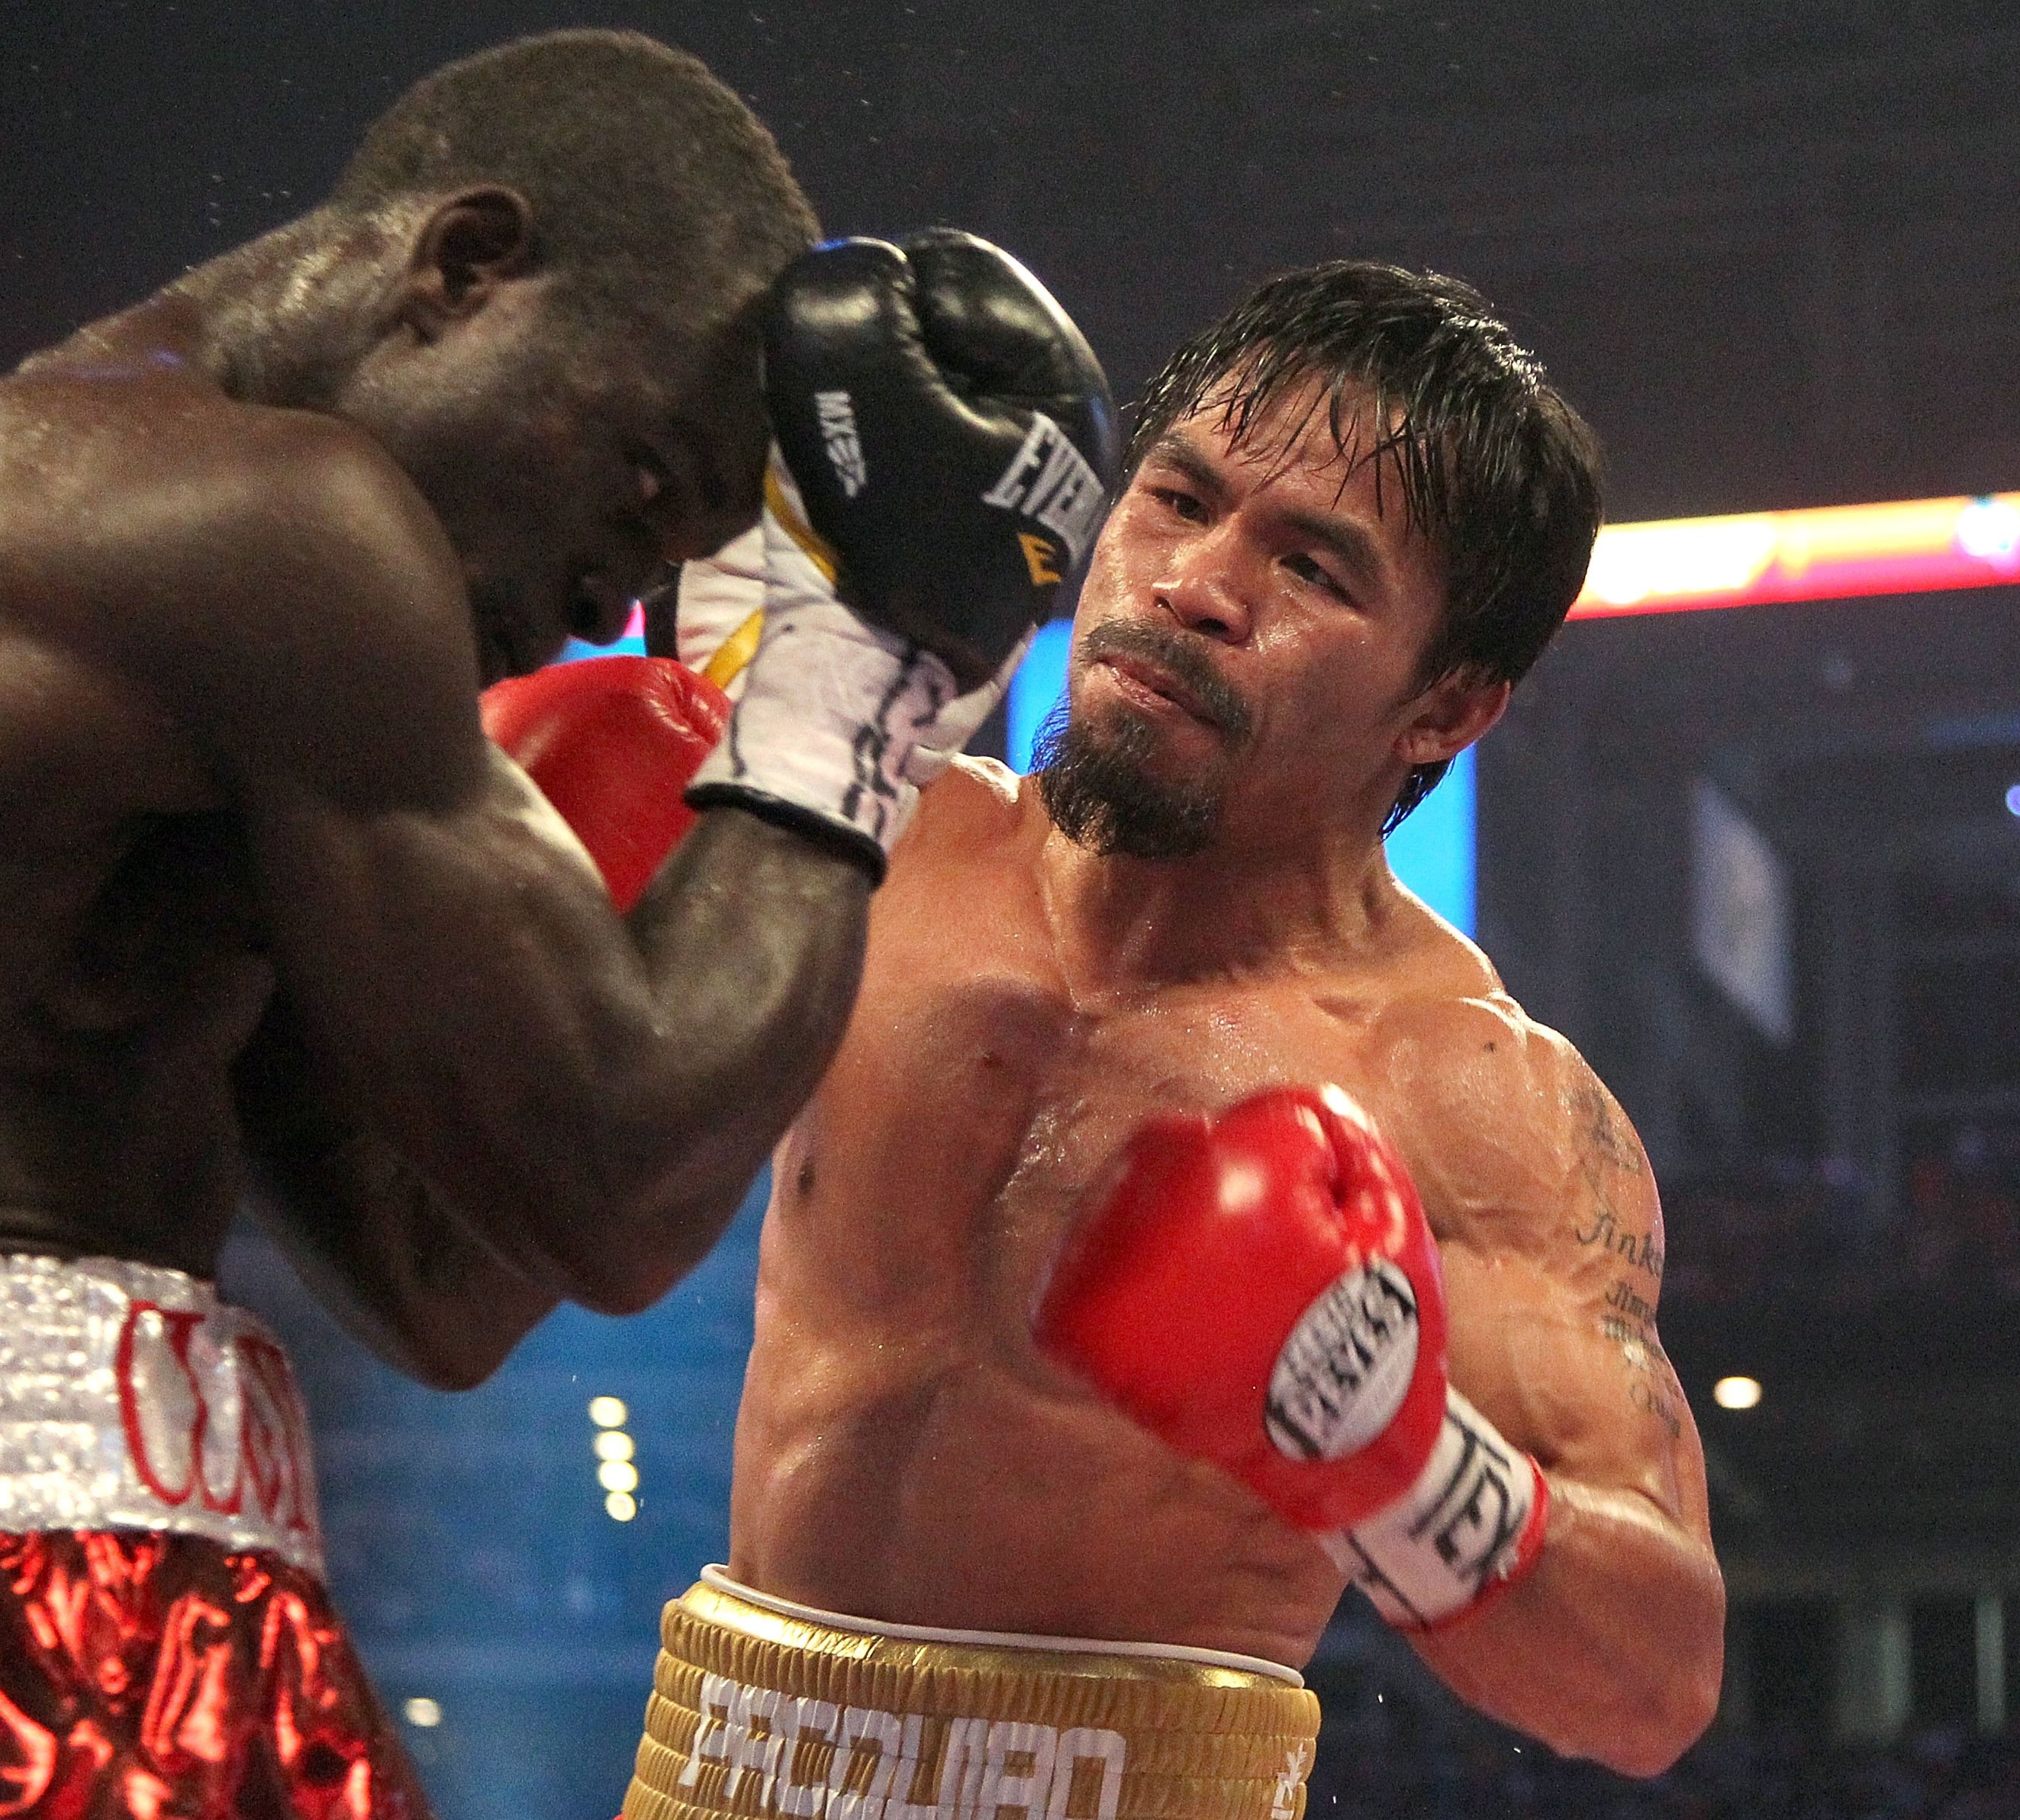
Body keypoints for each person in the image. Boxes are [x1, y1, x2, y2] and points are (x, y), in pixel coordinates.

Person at [0, 30, 1116, 1820]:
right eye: (650, 466)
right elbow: (619, 1171)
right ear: (463, 268)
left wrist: (689, 881)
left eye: (689, 537)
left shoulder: (121, 572)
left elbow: (444, 1276)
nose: (625, 573)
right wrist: (868, 682)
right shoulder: (274, 519)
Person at [625, 263, 1722, 1820]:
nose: (1195, 583)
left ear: (1448, 708)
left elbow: (1654, 1679)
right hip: (711, 1774)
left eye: (1314, 569)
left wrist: (1387, 1457)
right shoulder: (871, 835)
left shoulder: (1464, 1094)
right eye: (1178, 497)